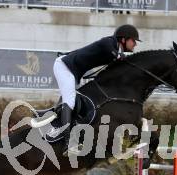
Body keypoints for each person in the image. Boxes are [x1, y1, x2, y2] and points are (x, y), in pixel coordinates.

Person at [50, 24, 140, 156]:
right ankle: (67, 143)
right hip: (64, 67)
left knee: (71, 100)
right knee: (69, 101)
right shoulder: (109, 42)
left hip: (71, 70)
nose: (135, 44)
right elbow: (118, 58)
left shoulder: (116, 49)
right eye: (133, 40)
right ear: (123, 39)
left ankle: (57, 125)